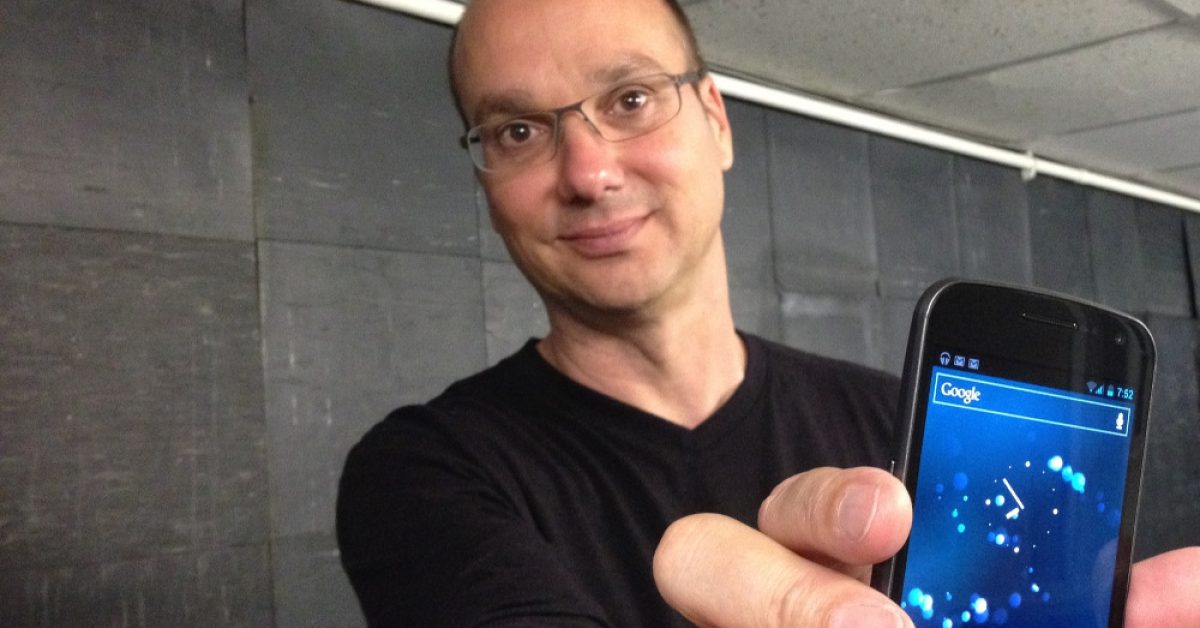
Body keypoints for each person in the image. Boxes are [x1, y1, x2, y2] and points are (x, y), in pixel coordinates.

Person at [337, 0, 1200, 625]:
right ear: (485, 183)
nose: (589, 173)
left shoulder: (895, 423)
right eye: (518, 131)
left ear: (716, 120)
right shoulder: (420, 475)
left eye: (630, 99)